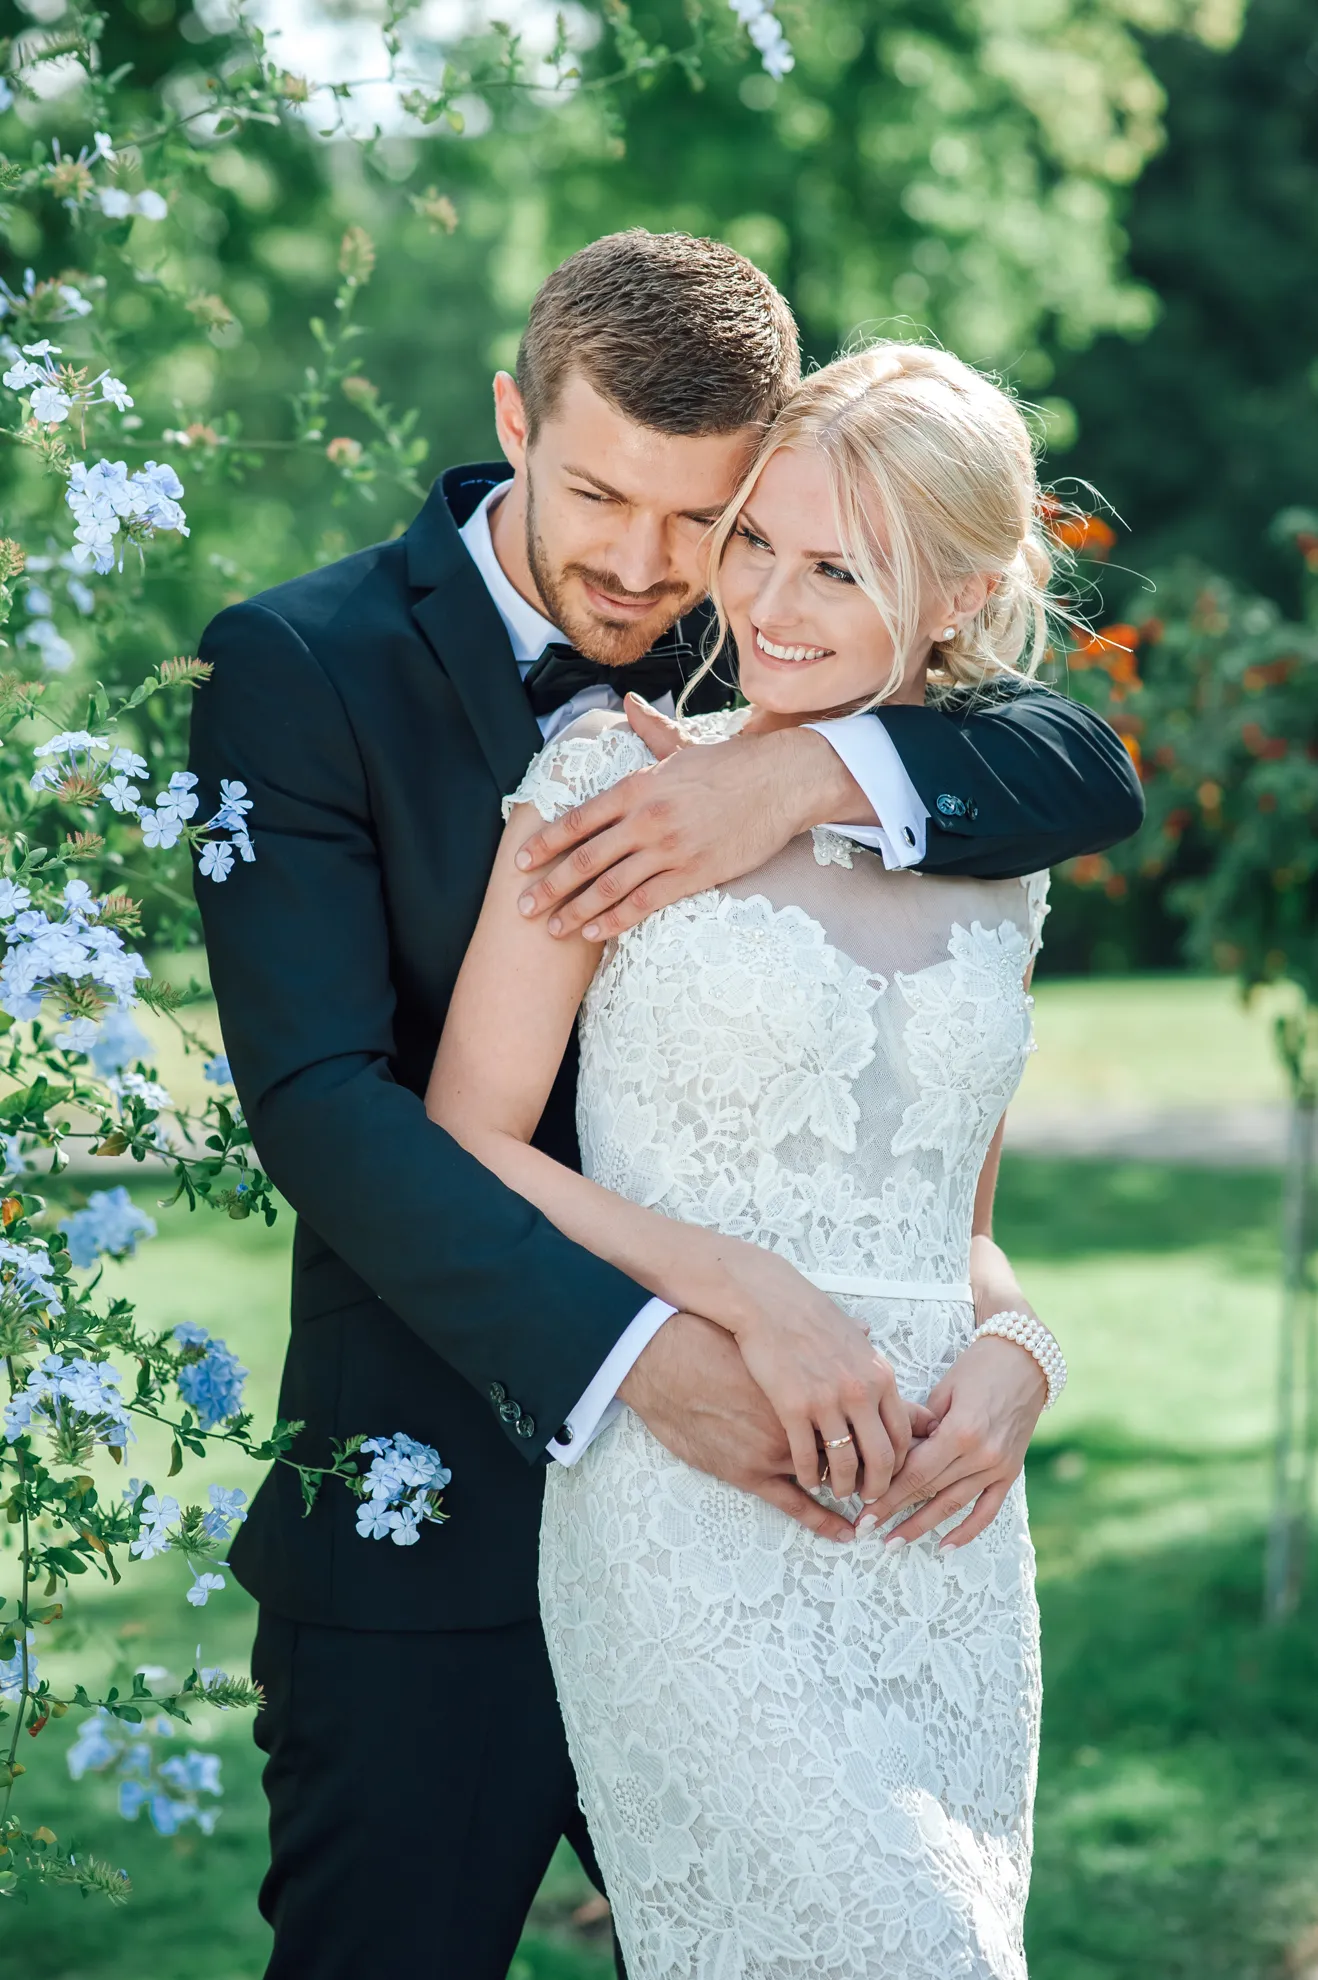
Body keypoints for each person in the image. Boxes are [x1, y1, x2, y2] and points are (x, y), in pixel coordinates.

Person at [188, 231, 1140, 1978]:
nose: (649, 567)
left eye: (703, 517)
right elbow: (323, 1104)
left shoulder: (783, 633)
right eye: (599, 497)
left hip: (846, 1531)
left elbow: (1073, 764)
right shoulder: (299, 664)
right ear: (513, 420)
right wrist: (645, 1349)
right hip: (447, 1515)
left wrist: (788, 777)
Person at [428, 339, 1063, 1977]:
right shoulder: (605, 782)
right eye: (753, 542)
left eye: (838, 568)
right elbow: (467, 1142)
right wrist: (736, 1285)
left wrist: (1019, 1351)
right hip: (698, 1497)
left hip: (937, 1532)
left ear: (961, 593)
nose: (767, 604)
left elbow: (957, 1229)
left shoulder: (999, 859)